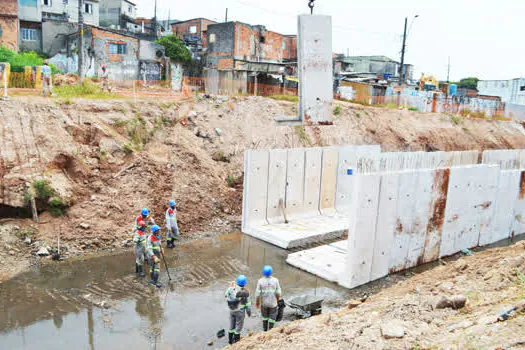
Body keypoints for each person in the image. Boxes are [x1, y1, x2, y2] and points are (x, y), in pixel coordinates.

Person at [225, 275, 252, 344]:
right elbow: (248, 305)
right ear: (245, 283)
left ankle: (230, 341)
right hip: (240, 312)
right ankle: (236, 343)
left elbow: (226, 295)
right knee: (238, 327)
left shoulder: (231, 288)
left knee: (231, 326)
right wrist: (249, 313)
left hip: (231, 310)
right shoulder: (245, 292)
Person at [255, 265, 282, 331]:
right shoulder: (276, 280)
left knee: (265, 317)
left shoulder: (260, 281)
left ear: (263, 272)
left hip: (264, 304)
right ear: (271, 272)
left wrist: (257, 302)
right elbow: (278, 293)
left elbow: (257, 294)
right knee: (272, 317)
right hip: (273, 303)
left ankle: (265, 330)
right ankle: (270, 330)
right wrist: (278, 300)